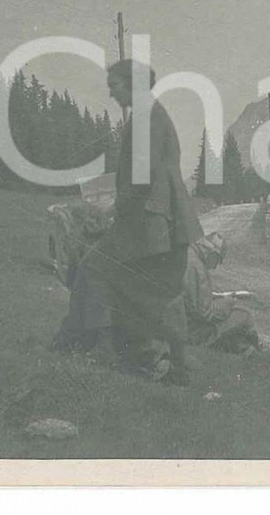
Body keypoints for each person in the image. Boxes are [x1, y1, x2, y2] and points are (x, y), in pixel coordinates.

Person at [99, 58, 203, 385]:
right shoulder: (151, 114)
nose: (111, 93)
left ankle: (150, 361)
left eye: (114, 85)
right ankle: (171, 365)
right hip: (166, 215)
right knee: (157, 288)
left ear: (133, 84)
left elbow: (141, 177)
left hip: (156, 219)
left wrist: (117, 206)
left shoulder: (145, 118)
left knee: (134, 284)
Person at [184, 233, 270, 363]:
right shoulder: (196, 268)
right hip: (191, 331)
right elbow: (205, 313)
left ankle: (252, 353)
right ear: (212, 253)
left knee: (232, 322)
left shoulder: (190, 256)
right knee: (243, 315)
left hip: (183, 323)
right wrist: (228, 303)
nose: (215, 266)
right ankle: (256, 353)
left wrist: (217, 298)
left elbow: (195, 301)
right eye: (217, 261)